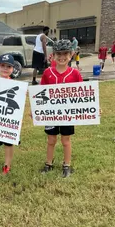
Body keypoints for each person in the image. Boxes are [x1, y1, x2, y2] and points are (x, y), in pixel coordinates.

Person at [40, 40, 83, 178]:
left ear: (71, 55)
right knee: (51, 140)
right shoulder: (47, 73)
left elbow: (83, 95)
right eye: (59, 53)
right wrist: (35, 110)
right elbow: (40, 93)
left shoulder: (75, 74)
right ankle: (48, 163)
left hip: (67, 113)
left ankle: (67, 164)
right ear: (53, 55)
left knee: (65, 141)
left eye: (65, 53)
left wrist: (93, 109)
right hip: (51, 113)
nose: (62, 57)